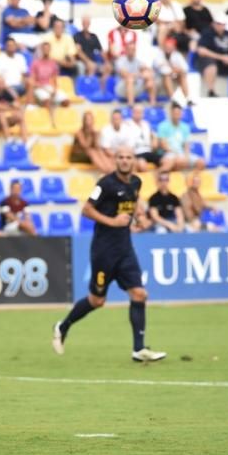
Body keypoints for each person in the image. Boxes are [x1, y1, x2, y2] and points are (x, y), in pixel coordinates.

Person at [53, 146, 166, 362]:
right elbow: (86, 209)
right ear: (115, 160)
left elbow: (131, 204)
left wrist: (138, 217)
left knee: (140, 294)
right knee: (97, 301)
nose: (125, 160)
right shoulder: (105, 184)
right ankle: (63, 325)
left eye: (128, 157)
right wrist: (113, 222)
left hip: (125, 249)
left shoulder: (136, 183)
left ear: (134, 160)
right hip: (104, 251)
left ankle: (139, 349)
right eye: (121, 157)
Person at [196, 14, 228, 97]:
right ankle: (211, 90)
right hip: (213, 59)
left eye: (223, 24)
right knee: (210, 65)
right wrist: (221, 57)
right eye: (218, 24)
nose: (220, 26)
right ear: (214, 24)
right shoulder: (207, 33)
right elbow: (201, 50)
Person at [156, 103, 204, 172]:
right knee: (178, 162)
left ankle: (191, 179)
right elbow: (164, 146)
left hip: (182, 153)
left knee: (201, 162)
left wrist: (187, 156)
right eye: (175, 113)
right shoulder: (163, 126)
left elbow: (186, 145)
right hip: (169, 153)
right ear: (171, 113)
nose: (177, 115)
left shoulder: (185, 127)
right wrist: (177, 155)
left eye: (179, 113)